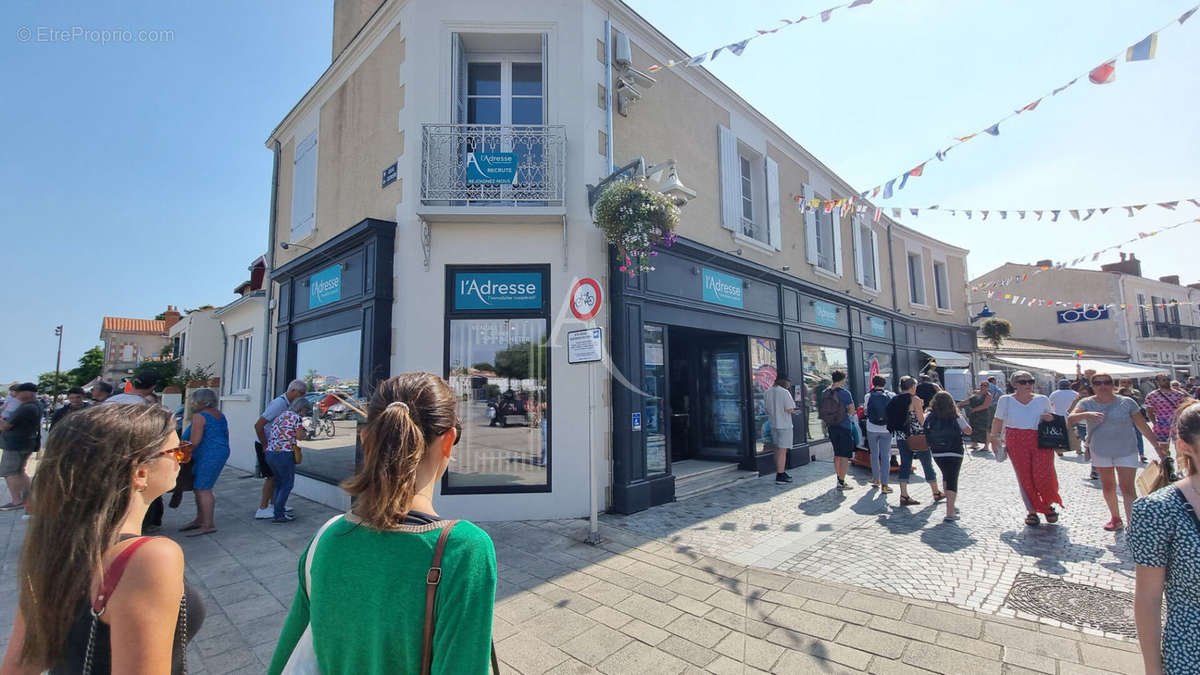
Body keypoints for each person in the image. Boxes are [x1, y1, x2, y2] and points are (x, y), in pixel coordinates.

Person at [268, 372, 496, 674]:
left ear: (366, 438)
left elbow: (286, 656)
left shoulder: (326, 539)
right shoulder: (464, 550)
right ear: (449, 441)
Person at [0, 404, 204, 674]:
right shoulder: (148, 557)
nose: (182, 460)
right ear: (140, 472)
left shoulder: (53, 546)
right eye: (178, 452)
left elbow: (22, 663)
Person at [1129, 402, 1200, 675]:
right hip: (1190, 653)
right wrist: (1153, 669)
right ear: (1185, 447)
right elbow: (1148, 597)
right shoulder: (1159, 510)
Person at [1069, 372, 1166, 531]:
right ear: (1092, 386)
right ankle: (1115, 518)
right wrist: (1086, 414)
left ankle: (1132, 523)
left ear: (1112, 384)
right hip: (1100, 450)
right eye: (1098, 383)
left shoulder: (1127, 402)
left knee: (1127, 487)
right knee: (1108, 486)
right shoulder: (1086, 403)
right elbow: (1071, 418)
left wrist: (1157, 447)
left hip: (1126, 449)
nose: (1103, 386)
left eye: (1106, 382)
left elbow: (1142, 426)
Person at [990, 370, 1061, 526]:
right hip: (1016, 439)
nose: (1028, 385)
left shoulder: (1042, 399)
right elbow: (997, 420)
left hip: (1040, 439)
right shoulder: (1005, 400)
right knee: (1024, 477)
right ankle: (1032, 511)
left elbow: (1053, 418)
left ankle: (1047, 504)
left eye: (1031, 381)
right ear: (1015, 384)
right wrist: (994, 439)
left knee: (1044, 474)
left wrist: (1050, 418)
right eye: (1023, 382)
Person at [100, 370, 165, 532]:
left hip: (108, 451)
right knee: (142, 489)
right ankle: (142, 523)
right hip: (136, 451)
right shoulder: (144, 406)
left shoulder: (111, 400)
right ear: (153, 387)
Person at [253, 379, 308, 519]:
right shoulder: (279, 404)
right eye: (301, 393)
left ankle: (276, 505)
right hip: (268, 445)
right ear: (292, 390)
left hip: (272, 447)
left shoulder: (286, 409)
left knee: (277, 479)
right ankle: (264, 508)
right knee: (273, 478)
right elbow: (259, 425)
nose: (302, 397)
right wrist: (265, 445)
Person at [178, 388, 229, 536]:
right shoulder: (219, 414)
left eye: (193, 401)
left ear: (200, 401)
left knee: (203, 488)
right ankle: (200, 520)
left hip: (209, 454)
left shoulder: (200, 417)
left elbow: (194, 442)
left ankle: (208, 524)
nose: (191, 404)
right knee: (199, 487)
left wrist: (179, 453)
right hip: (217, 452)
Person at [263, 397, 312, 523]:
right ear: (301, 409)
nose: (305, 413)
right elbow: (300, 436)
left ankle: (277, 510)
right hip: (284, 454)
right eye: (306, 410)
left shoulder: (281, 416)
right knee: (287, 484)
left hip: (271, 453)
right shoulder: (296, 418)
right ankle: (279, 514)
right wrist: (306, 433)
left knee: (279, 483)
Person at [893, 376, 940, 506]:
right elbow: (921, 420)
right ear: (913, 387)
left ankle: (904, 495)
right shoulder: (915, 399)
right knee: (926, 463)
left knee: (905, 464)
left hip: (901, 436)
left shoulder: (896, 399)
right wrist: (927, 412)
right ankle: (935, 491)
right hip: (917, 436)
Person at [926, 391, 972, 521]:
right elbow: (968, 430)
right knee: (952, 478)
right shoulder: (955, 416)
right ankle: (950, 512)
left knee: (946, 476)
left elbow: (924, 426)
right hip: (954, 450)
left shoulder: (930, 415)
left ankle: (949, 504)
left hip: (937, 451)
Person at [0, 383, 41, 513]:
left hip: (15, 444)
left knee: (9, 472)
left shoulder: (26, 407)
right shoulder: (35, 405)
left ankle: (17, 501)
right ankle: (29, 498)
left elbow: (5, 426)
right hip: (24, 443)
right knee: (19, 471)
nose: (15, 395)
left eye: (18, 392)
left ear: (28, 393)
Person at [819, 370, 856, 490]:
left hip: (831, 426)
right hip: (844, 426)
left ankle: (838, 478)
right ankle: (841, 481)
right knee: (844, 455)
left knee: (837, 453)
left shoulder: (825, 392)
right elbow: (851, 410)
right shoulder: (845, 393)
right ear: (842, 379)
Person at [863, 375, 894, 493]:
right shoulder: (890, 395)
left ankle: (876, 480)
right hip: (886, 429)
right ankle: (885, 485)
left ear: (873, 383)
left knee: (874, 454)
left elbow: (866, 411)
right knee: (885, 456)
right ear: (884, 384)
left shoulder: (868, 396)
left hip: (872, 428)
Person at [763, 375, 795, 484]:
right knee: (783, 451)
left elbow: (766, 410)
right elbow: (790, 409)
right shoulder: (784, 392)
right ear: (785, 382)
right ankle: (780, 474)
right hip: (784, 425)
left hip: (773, 424)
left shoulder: (767, 392)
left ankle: (779, 471)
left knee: (777, 449)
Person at [1147, 373, 1189, 452]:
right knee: (1164, 450)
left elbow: (1184, 409)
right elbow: (1149, 412)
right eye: (1163, 380)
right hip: (1161, 425)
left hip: (1177, 424)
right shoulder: (1152, 395)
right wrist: (1155, 423)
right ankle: (1167, 463)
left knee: (1180, 449)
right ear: (1157, 382)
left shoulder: (1178, 394)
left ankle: (1181, 464)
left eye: (1168, 379)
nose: (1166, 381)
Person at [1118, 378, 1149, 462]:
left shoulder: (1136, 392)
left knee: (1138, 435)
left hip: (1135, 418)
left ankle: (1141, 454)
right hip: (1122, 420)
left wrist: (1132, 396)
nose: (1126, 384)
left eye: (1128, 382)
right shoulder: (1115, 395)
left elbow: (1140, 403)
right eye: (1123, 382)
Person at [957, 381, 992, 451]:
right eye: (981, 385)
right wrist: (958, 404)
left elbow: (985, 405)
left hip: (983, 415)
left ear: (988, 387)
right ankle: (974, 443)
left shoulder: (988, 395)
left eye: (985, 385)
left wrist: (974, 409)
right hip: (974, 415)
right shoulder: (975, 393)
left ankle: (986, 446)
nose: (982, 386)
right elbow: (968, 401)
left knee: (984, 430)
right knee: (974, 428)